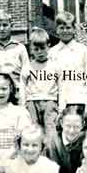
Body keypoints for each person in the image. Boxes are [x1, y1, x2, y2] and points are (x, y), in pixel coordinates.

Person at [19, 27, 63, 162]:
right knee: (35, 133)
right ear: (31, 49)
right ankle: (37, 164)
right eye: (36, 49)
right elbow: (22, 87)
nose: (40, 52)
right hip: (32, 103)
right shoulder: (27, 67)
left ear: (48, 46)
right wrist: (23, 105)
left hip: (50, 102)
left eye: (42, 48)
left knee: (51, 135)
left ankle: (54, 165)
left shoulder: (55, 66)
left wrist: (61, 107)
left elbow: (61, 86)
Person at [48, 11, 87, 118]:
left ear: (74, 29)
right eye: (62, 28)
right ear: (57, 30)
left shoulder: (82, 50)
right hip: (58, 101)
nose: (65, 31)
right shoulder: (52, 52)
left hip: (78, 99)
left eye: (68, 27)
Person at [0, 9, 30, 105]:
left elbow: (26, 74)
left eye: (5, 25)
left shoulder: (20, 48)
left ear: (11, 26)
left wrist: (23, 97)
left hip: (16, 95)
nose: (2, 28)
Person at [47, 105, 86, 173]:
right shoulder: (51, 143)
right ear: (61, 123)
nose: (71, 131)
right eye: (68, 126)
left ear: (83, 124)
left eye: (76, 126)